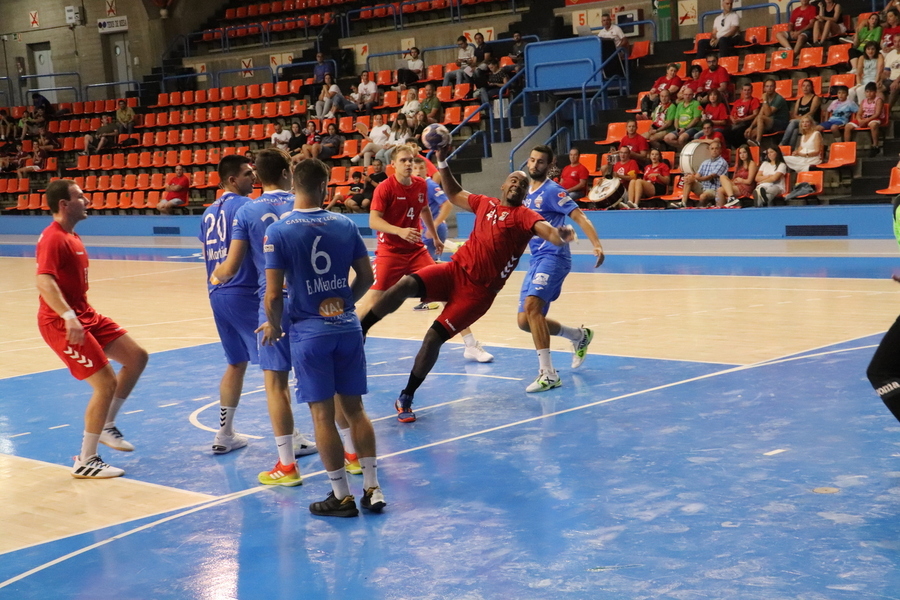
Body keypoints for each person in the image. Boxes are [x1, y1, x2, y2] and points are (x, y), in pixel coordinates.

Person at [360, 145, 576, 420]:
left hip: (477, 295)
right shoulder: (485, 203)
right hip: (454, 271)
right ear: (503, 185)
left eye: (522, 184)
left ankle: (406, 397)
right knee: (403, 286)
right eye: (513, 179)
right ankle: (362, 328)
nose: (517, 184)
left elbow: (548, 232)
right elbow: (454, 193)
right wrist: (442, 161)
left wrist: (561, 234)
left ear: (524, 194)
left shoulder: (525, 216)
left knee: (432, 338)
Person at [259, 158, 384, 517]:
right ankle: (373, 488)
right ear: (325, 186)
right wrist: (344, 303)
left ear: (294, 186)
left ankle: (341, 496)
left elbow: (271, 295)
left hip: (309, 333)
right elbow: (366, 278)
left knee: (322, 417)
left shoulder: (280, 231)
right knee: (356, 411)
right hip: (346, 327)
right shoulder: (345, 224)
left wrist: (275, 325)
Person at [212, 149, 317, 485]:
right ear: (288, 172)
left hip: (272, 301)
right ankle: (351, 456)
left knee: (276, 383)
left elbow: (231, 264)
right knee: (323, 380)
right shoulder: (303, 203)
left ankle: (287, 464)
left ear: (258, 177)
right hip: (312, 299)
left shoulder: (248, 211)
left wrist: (219, 273)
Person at [36, 180, 149, 478]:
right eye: (80, 196)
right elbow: (43, 281)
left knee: (137, 357)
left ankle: (107, 425)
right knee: (106, 383)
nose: (87, 200)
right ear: (64, 204)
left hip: (86, 315)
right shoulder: (53, 238)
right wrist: (69, 316)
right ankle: (86, 459)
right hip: (61, 323)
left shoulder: (72, 236)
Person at [357, 144, 494, 369]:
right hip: (390, 252)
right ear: (393, 165)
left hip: (416, 251)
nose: (409, 164)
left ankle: (470, 345)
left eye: (411, 160)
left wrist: (436, 237)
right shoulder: (384, 188)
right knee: (374, 300)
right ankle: (352, 339)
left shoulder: (421, 185)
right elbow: (374, 221)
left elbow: (424, 210)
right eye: (404, 160)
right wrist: (400, 231)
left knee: (448, 293)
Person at [518, 145, 604, 392]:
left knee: (533, 307)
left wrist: (596, 244)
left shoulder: (553, 191)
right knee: (525, 321)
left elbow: (579, 217)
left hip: (554, 257)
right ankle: (579, 336)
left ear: (549, 165)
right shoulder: (525, 194)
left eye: (540, 162)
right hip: (536, 259)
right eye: (532, 160)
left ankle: (548, 374)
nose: (535, 165)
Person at [200, 156, 263, 454]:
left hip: (217, 294)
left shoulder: (208, 213)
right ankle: (292, 438)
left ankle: (224, 434)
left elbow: (209, 253)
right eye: (248, 174)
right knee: (275, 365)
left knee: (236, 363)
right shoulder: (247, 208)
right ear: (232, 180)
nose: (254, 178)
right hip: (243, 292)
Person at [677, 139, 729, 208]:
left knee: (703, 196)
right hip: (703, 187)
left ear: (720, 150)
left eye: (716, 148)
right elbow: (698, 175)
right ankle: (683, 202)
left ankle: (701, 209)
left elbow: (711, 176)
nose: (714, 150)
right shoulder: (705, 162)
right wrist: (693, 178)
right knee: (688, 180)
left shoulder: (722, 162)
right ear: (709, 150)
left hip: (715, 189)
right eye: (712, 149)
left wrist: (697, 178)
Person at [745, 78, 790, 145]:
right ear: (764, 88)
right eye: (767, 86)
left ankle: (758, 141)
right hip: (770, 122)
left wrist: (765, 100)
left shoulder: (778, 99)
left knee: (761, 118)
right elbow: (759, 114)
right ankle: (757, 151)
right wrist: (750, 127)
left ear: (775, 87)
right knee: (749, 133)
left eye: (771, 86)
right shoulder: (767, 98)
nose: (769, 88)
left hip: (781, 123)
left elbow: (768, 113)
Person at [780, 78, 822, 148]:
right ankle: (790, 149)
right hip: (801, 122)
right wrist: (800, 119)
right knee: (795, 130)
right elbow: (795, 114)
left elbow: (811, 113)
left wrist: (801, 118)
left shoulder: (815, 98)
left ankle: (782, 144)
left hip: (812, 121)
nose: (805, 88)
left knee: (793, 122)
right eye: (803, 86)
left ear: (811, 88)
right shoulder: (799, 100)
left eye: (808, 86)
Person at [845, 82, 885, 155]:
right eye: (867, 92)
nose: (869, 94)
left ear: (875, 92)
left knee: (873, 125)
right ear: (865, 93)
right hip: (864, 118)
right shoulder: (863, 101)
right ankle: (847, 147)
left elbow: (877, 114)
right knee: (847, 126)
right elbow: (859, 114)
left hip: (874, 118)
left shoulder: (878, 100)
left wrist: (866, 120)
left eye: (871, 91)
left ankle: (875, 146)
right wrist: (860, 120)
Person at [663, 86, 702, 151]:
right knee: (667, 138)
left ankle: (685, 152)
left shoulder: (696, 104)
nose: (687, 96)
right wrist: (677, 129)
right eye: (686, 94)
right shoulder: (680, 105)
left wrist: (685, 128)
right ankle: (687, 149)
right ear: (683, 95)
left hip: (693, 128)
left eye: (690, 95)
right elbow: (676, 119)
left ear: (693, 95)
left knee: (681, 138)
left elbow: (696, 119)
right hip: (680, 128)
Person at [727, 83, 761, 147]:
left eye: (748, 90)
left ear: (751, 91)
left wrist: (742, 119)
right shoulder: (737, 101)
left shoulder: (754, 100)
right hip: (737, 122)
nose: (746, 92)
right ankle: (735, 148)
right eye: (745, 90)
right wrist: (733, 120)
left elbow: (755, 114)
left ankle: (742, 148)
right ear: (742, 91)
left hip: (748, 122)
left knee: (739, 133)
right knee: (726, 132)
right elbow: (731, 114)